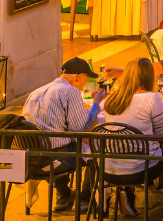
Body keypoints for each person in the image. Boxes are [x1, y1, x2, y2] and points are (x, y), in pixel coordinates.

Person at [21, 58, 107, 212]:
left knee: (57, 143)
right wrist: (96, 103)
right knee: (95, 147)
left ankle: (63, 195)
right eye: (87, 79)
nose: (86, 85)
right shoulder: (70, 91)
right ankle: (85, 199)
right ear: (79, 77)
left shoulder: (37, 91)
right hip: (54, 160)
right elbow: (81, 128)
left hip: (30, 160)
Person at [99, 58, 163, 217]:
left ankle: (126, 190)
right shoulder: (152, 98)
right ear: (148, 77)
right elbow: (162, 135)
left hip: (109, 168)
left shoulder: (112, 97)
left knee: (132, 148)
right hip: (142, 169)